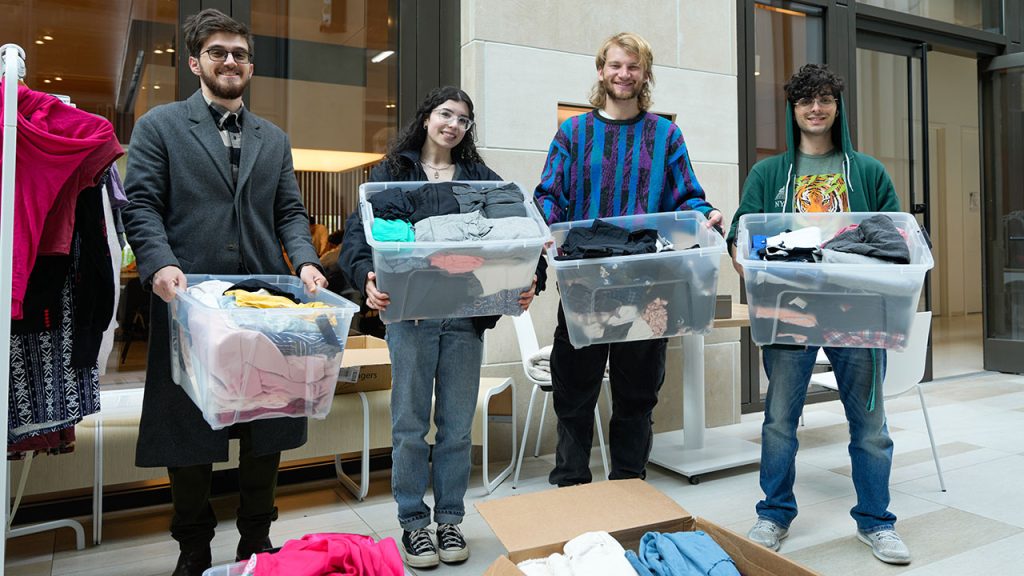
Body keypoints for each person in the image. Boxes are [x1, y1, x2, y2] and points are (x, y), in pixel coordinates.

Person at [122, 9, 327, 576]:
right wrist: (158, 264)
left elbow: (289, 212)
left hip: (265, 306)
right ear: (196, 63)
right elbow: (140, 206)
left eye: (239, 53)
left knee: (266, 427)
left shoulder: (274, 138)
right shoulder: (160, 127)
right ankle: (192, 547)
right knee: (189, 434)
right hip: (189, 303)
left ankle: (256, 543)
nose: (230, 61)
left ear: (250, 65)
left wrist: (306, 262)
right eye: (218, 52)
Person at [340, 86, 541, 569]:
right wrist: (365, 276)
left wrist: (532, 279)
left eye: (463, 119)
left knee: (454, 427)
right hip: (410, 317)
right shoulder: (392, 173)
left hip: (464, 318)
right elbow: (358, 236)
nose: (453, 124)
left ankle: (450, 520)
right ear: (427, 117)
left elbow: (522, 235)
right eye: (445, 114)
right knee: (410, 426)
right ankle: (413, 525)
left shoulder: (481, 178)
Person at [725, 63, 909, 565]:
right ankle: (774, 514)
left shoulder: (867, 171)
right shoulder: (768, 174)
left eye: (825, 98)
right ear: (793, 108)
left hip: (860, 314)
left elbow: (897, 238)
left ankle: (877, 522)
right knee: (780, 421)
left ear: (837, 106)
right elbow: (742, 234)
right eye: (806, 100)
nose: (816, 108)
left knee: (870, 425)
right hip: (789, 312)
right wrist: (745, 257)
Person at [534, 32, 722, 487]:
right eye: (616, 65)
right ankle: (571, 483)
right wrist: (545, 230)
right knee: (574, 389)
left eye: (633, 67)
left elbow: (687, 196)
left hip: (650, 283)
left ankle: (629, 485)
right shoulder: (574, 132)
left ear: (645, 74)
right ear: (601, 71)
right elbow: (548, 195)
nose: (624, 74)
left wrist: (706, 214)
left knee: (638, 394)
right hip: (585, 285)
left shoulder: (666, 134)